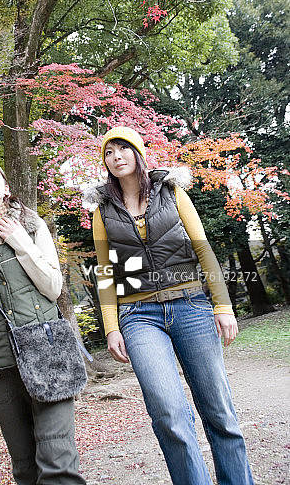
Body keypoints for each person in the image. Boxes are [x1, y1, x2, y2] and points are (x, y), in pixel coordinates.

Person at [84, 126, 254, 485]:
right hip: (138, 315)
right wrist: (112, 326)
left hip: (191, 305)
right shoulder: (102, 209)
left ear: (138, 152)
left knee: (218, 410)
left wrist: (222, 305)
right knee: (168, 413)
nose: (116, 157)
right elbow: (105, 270)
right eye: (109, 152)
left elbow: (202, 247)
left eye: (123, 149)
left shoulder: (171, 191)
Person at [0, 153, 87, 485]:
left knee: (58, 464)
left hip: (48, 353)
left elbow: (53, 287)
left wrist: (19, 240)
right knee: (25, 469)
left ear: (6, 186)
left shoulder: (32, 225)